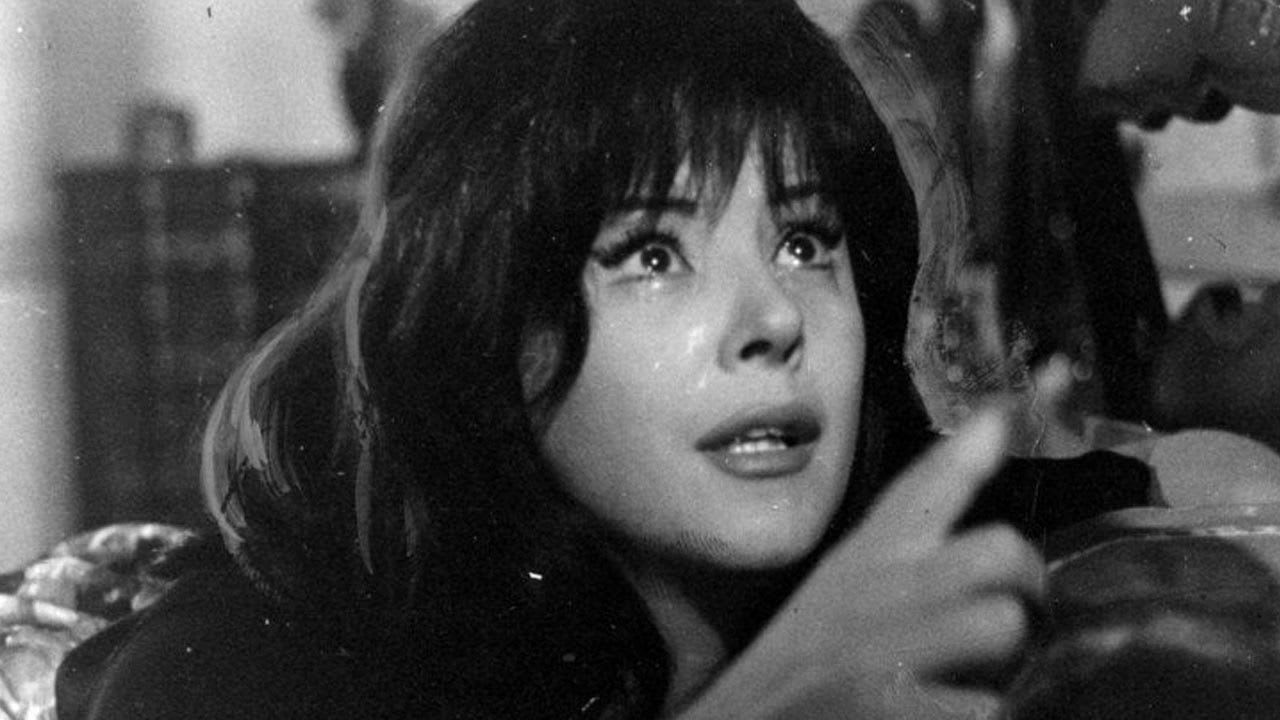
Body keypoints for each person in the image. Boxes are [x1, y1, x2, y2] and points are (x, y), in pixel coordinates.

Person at [52, 1, 1157, 718]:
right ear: (492, 319)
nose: (773, 317)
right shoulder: (244, 667)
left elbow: (1118, 493)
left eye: (803, 241)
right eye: (652, 255)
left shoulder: (898, 530)